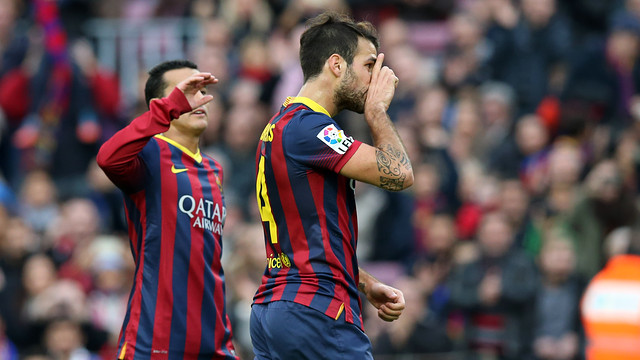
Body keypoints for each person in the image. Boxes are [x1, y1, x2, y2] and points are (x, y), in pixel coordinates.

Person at [249, 12, 414, 359]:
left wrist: (365, 283)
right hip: (316, 309)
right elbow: (400, 173)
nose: (378, 78)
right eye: (370, 65)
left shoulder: (281, 125)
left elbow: (309, 236)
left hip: (274, 308)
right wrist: (378, 112)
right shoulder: (310, 128)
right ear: (337, 65)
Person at [96, 60, 238, 359]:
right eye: (186, 92)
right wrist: (166, 110)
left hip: (213, 341)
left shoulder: (214, 169)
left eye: (201, 90)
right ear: (162, 105)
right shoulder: (148, 153)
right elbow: (108, 159)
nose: (198, 99)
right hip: (154, 339)